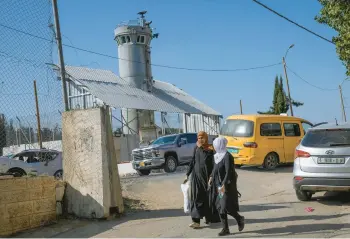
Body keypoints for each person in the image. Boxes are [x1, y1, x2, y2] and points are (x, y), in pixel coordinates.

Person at [209, 137, 245, 236]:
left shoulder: (227, 156)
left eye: (215, 145)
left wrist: (223, 184)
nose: (214, 147)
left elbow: (229, 171)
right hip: (218, 185)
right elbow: (215, 169)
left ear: (220, 145)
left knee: (224, 206)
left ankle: (239, 218)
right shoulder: (216, 156)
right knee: (220, 206)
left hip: (225, 185)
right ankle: (226, 229)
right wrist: (211, 177)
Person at [185, 131, 219, 228]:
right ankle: (196, 221)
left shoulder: (211, 149)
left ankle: (211, 218)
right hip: (196, 178)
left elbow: (214, 164)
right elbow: (192, 161)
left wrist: (212, 176)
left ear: (206, 138)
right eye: (199, 138)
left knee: (208, 199)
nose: (200, 140)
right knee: (196, 198)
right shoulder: (196, 148)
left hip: (207, 178)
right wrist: (187, 173)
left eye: (202, 138)